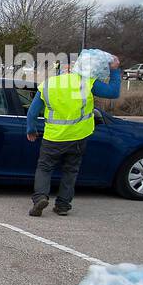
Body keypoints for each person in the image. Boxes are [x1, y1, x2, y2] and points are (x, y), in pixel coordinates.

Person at [26, 53, 121, 217]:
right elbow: (113, 92)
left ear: (61, 69)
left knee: (44, 168)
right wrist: (114, 70)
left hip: (53, 137)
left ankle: (40, 197)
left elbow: (32, 113)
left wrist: (31, 130)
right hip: (78, 136)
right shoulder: (86, 82)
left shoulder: (48, 85)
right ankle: (63, 205)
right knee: (70, 170)